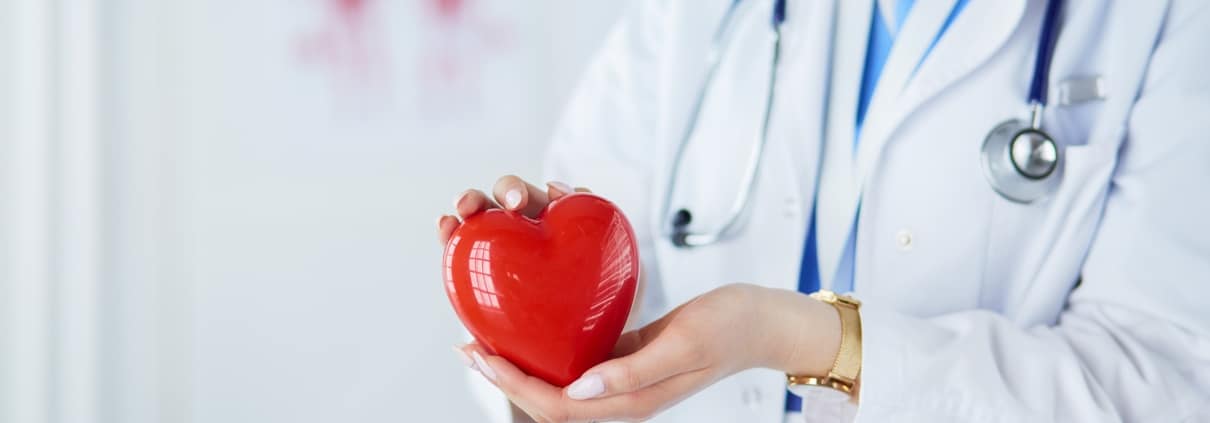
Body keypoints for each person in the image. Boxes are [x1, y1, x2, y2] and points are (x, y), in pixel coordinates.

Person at [436, 0, 1210, 421]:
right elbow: (561, 323)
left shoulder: (1164, 19)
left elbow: (1166, 388)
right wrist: (548, 375)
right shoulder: (690, 18)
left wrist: (797, 338)